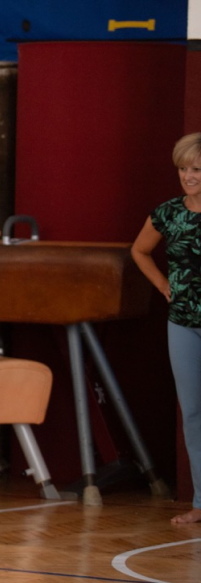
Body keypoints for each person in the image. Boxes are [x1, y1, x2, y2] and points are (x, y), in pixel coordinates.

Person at [130, 133, 201, 525]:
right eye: (183, 169)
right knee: (193, 414)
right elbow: (139, 251)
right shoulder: (168, 212)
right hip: (182, 324)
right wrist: (162, 285)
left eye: (197, 169)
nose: (188, 176)